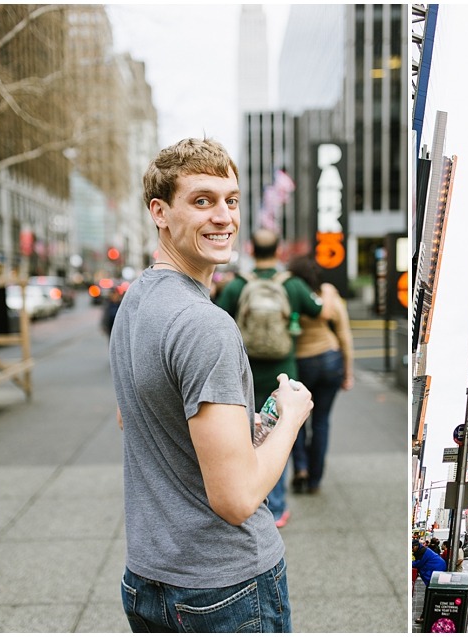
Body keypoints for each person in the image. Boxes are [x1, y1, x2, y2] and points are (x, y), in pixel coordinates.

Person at [110, 137, 315, 632]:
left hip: (148, 579)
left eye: (231, 200)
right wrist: (289, 416)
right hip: (224, 587)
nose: (224, 216)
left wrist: (247, 433)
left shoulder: (134, 301)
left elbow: (134, 417)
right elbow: (237, 497)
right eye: (202, 201)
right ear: (160, 212)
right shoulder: (206, 324)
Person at [215, 229, 337, 527]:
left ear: (251, 249)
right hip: (284, 377)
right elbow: (322, 311)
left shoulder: (237, 285)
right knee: (277, 437)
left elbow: (217, 321)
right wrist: (329, 294)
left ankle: (248, 501)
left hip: (245, 376)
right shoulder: (292, 285)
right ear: (279, 250)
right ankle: (278, 507)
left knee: (244, 437)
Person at [285, 255, 354, 495]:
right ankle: (315, 480)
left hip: (301, 364)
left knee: (297, 422)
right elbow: (344, 335)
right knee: (322, 422)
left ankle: (301, 468)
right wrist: (348, 372)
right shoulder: (329, 295)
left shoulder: (292, 293)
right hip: (330, 360)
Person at [412, 539, 446, 624]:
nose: (412, 549)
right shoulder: (422, 550)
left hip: (436, 573)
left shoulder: (423, 551)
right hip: (436, 572)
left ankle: (425, 617)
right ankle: (428, 616)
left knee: (430, 595)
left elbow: (418, 563)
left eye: (412, 547)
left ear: (416, 546)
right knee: (431, 595)